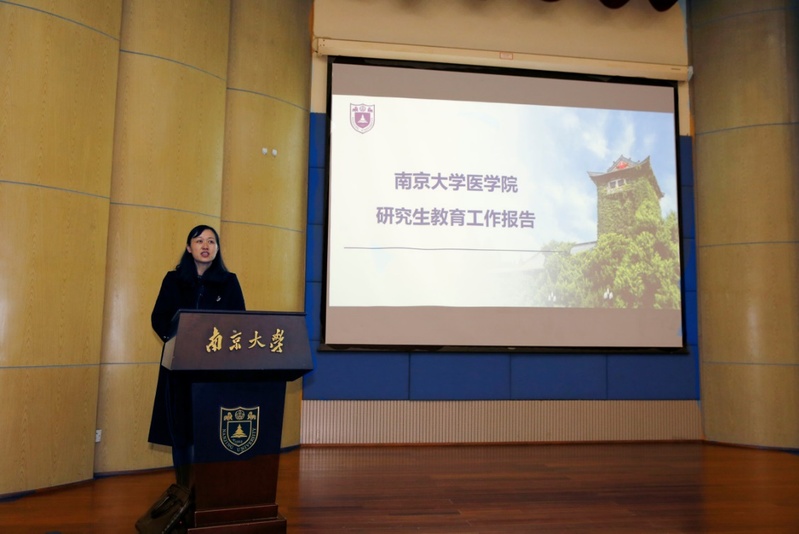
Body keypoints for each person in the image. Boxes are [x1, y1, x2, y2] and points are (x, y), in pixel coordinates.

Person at [147, 224, 246, 488]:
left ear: (217, 248)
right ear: (189, 248)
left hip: (215, 371)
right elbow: (159, 318)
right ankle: (184, 488)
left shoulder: (229, 281)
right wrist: (178, 339)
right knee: (181, 432)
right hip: (179, 367)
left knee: (210, 430)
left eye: (211, 241)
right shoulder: (173, 280)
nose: (205, 245)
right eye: (199, 240)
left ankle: (209, 490)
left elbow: (239, 323)